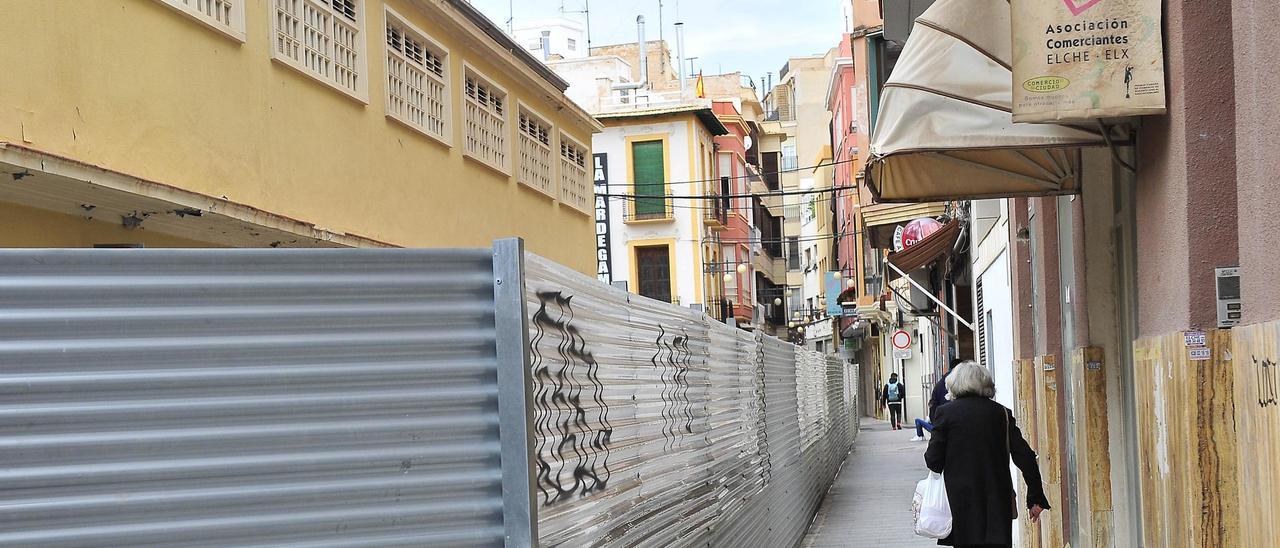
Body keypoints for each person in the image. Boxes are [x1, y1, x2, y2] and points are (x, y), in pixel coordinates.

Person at [924, 361, 1049, 547]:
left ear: (954, 384)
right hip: (998, 502)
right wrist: (1035, 498)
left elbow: (933, 460)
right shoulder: (1002, 414)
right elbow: (1026, 457)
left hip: (960, 503)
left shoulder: (945, 413)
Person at [912, 358, 963, 441]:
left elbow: (933, 404)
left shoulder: (940, 384)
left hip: (943, 422)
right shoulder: (963, 381)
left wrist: (935, 423)